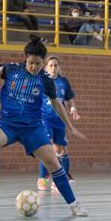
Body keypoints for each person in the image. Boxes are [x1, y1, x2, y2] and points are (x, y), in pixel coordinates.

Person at [0, 34, 89, 217]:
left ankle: (74, 205)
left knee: (53, 163)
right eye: (31, 62)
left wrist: (70, 126)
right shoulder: (11, 70)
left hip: (33, 128)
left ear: (43, 62)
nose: (34, 67)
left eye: (38, 63)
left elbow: (56, 103)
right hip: (8, 124)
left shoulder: (45, 80)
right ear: (26, 59)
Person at [37, 56, 79, 191]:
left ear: (59, 67)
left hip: (60, 120)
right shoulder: (42, 81)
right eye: (51, 65)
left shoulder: (63, 82)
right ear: (45, 67)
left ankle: (63, 178)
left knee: (62, 150)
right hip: (45, 118)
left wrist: (72, 109)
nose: (53, 68)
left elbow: (69, 98)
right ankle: (43, 177)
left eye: (56, 65)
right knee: (48, 147)